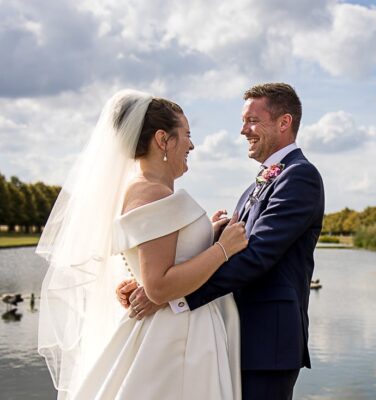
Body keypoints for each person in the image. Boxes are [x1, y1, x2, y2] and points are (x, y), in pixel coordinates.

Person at [37, 90, 248, 399]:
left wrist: (211, 232)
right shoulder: (151, 194)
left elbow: (163, 257)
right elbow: (159, 287)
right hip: (177, 338)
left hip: (183, 328)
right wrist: (223, 249)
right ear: (163, 139)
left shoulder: (149, 191)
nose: (191, 144)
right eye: (186, 135)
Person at [120, 82, 325, 399]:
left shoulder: (299, 176)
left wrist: (169, 294)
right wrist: (154, 279)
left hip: (267, 343)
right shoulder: (260, 180)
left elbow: (256, 255)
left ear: (285, 122)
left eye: (252, 121)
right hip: (234, 336)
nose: (243, 130)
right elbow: (225, 247)